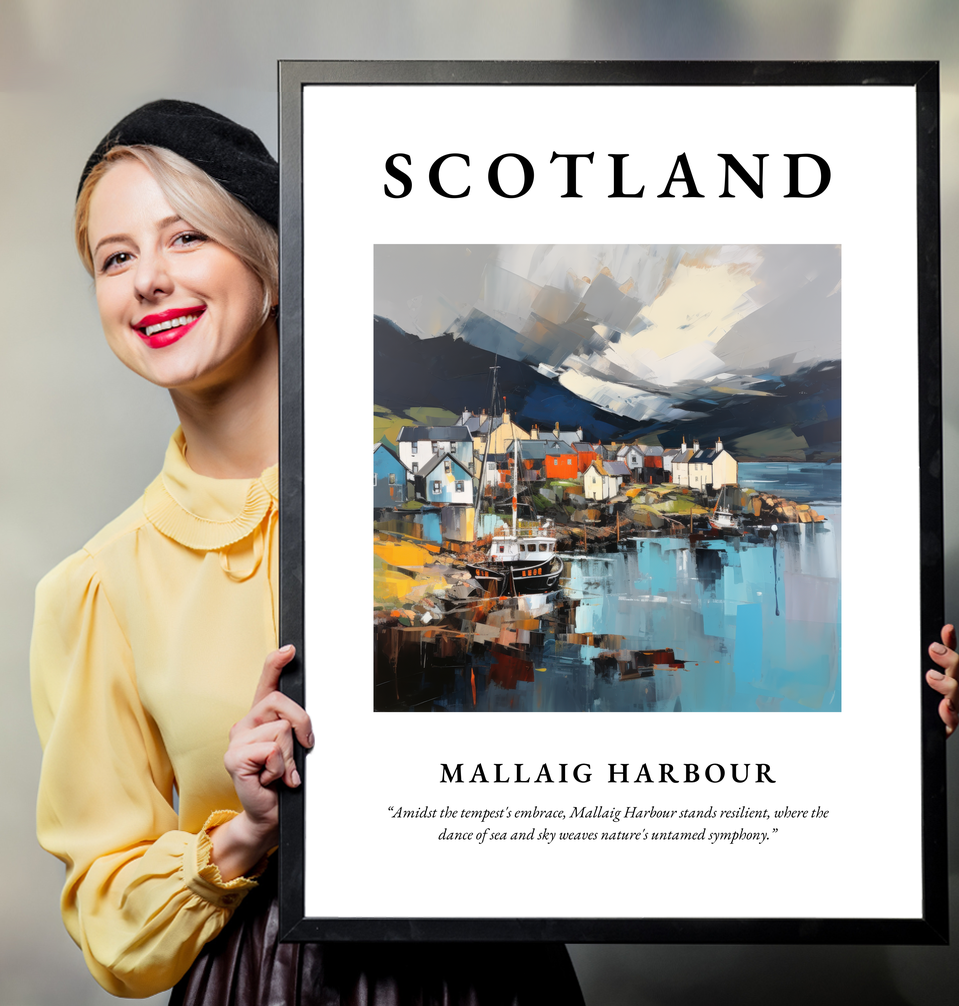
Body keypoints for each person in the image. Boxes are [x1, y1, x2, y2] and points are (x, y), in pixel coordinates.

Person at [30, 100, 585, 1004]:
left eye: (185, 239)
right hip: (264, 981)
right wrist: (245, 832)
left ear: (273, 265)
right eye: (116, 257)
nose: (148, 281)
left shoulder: (443, 498)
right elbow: (110, 923)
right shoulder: (98, 587)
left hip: (492, 972)